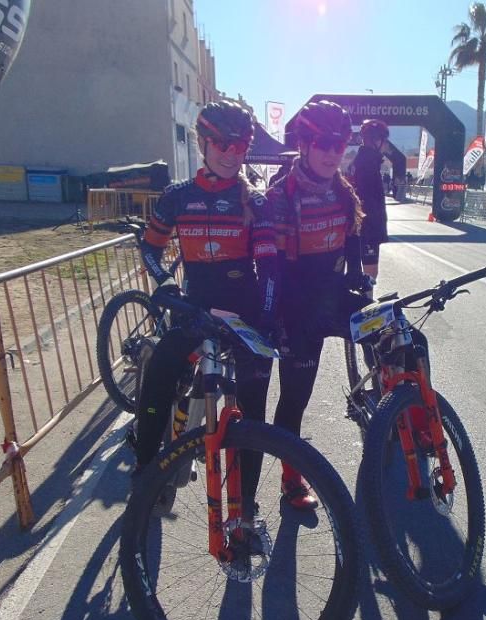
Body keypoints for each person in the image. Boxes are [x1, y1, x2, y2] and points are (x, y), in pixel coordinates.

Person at [133, 100, 279, 519]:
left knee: (254, 405)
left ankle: (246, 505)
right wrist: (163, 282)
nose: (232, 154)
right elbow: (150, 248)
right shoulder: (178, 197)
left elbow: (269, 267)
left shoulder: (256, 201)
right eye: (223, 144)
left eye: (242, 146)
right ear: (203, 143)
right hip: (194, 309)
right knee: (162, 370)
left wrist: (266, 318)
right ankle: (145, 468)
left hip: (243, 312)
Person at [255, 100, 373, 507]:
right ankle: (291, 481)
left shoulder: (342, 190)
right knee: (295, 398)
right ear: (304, 143)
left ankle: (393, 418)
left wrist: (359, 273)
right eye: (323, 143)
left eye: (339, 144)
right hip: (298, 309)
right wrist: (280, 319)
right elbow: (275, 270)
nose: (331, 152)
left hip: (333, 297)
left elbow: (354, 233)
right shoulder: (281, 197)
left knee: (396, 333)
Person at [351, 118, 390, 284]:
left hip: (362, 228)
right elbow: (367, 201)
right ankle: (366, 307)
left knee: (364, 274)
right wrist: (375, 230)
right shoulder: (367, 164)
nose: (386, 145)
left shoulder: (365, 161)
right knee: (370, 275)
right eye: (385, 140)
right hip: (367, 229)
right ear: (377, 140)